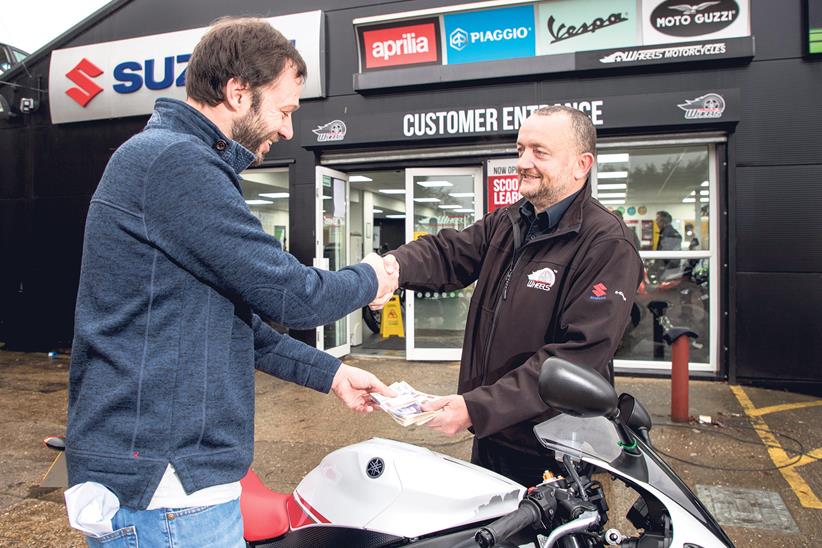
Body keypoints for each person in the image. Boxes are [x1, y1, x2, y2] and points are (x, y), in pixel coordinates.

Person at [65, 18, 397, 547]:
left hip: (169, 482)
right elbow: (293, 295)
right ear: (237, 92)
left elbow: (239, 328)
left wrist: (332, 374)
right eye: (285, 110)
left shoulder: (173, 160)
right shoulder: (175, 162)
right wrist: (372, 277)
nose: (289, 130)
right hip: (166, 491)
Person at [381, 106, 643, 486]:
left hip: (554, 449)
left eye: (539, 152)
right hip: (493, 435)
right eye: (520, 149)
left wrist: (478, 407)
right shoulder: (511, 222)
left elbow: (577, 357)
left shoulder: (607, 243)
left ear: (581, 164)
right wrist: (389, 269)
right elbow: (447, 253)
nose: (523, 162)